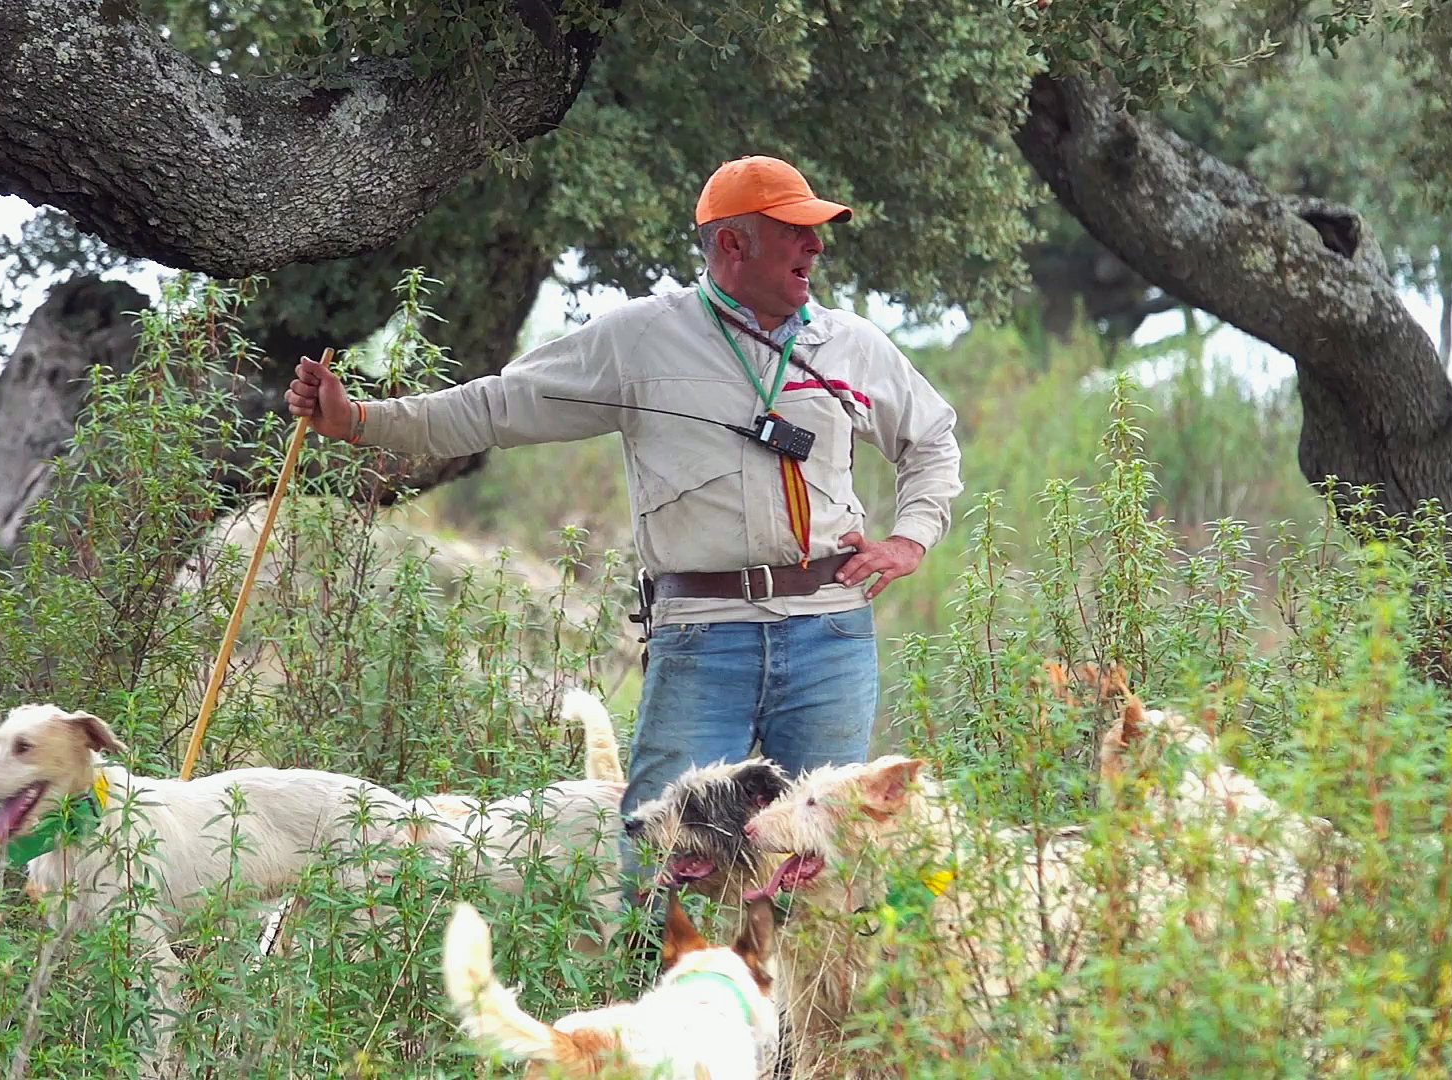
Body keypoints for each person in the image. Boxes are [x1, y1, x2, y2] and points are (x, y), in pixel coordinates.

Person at [285, 155, 962, 902]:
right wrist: (360, 422)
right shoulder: (640, 338)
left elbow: (930, 438)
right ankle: (651, 1006)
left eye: (817, 232)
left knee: (825, 861)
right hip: (704, 635)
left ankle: (805, 1020)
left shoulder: (854, 344)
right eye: (797, 232)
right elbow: (499, 405)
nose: (817, 248)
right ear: (733, 245)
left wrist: (912, 536)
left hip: (830, 632)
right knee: (656, 858)